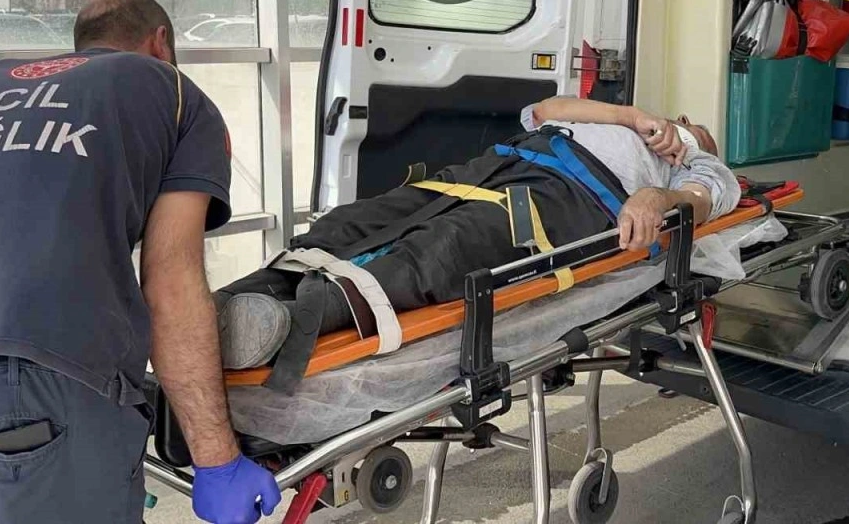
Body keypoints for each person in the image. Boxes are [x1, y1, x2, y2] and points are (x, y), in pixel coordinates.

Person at [0, 0, 280, 524]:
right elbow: (171, 283)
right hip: (31, 385)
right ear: (161, 42)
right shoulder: (173, 92)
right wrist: (216, 460)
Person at [216, 96, 739, 389]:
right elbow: (543, 111)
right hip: (501, 165)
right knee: (357, 220)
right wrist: (634, 116)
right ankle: (234, 299)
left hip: (571, 198)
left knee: (445, 247)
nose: (686, 133)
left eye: (697, 136)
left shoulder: (691, 164)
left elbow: (704, 199)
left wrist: (656, 196)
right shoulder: (628, 121)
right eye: (687, 125)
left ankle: (293, 320)